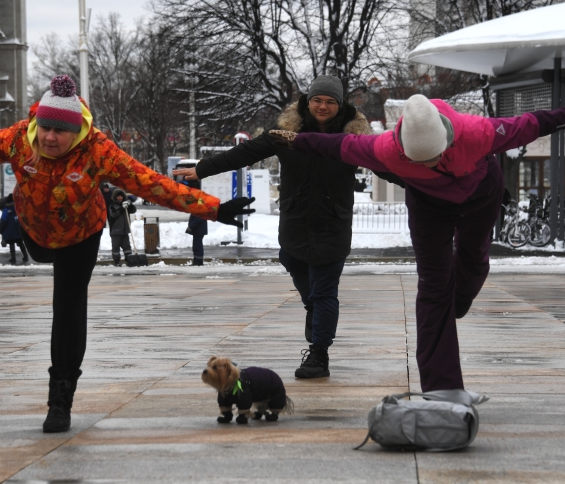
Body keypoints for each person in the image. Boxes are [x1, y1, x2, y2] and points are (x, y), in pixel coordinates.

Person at [0, 74, 253, 433]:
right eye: (45, 129)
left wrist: (215, 209)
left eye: (59, 132)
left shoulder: (98, 150)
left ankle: (60, 398)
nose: (49, 138)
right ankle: (39, 256)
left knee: (67, 307)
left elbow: (151, 184)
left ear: (76, 131)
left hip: (81, 234)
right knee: (42, 255)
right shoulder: (19, 139)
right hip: (35, 231)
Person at [269, 93, 565, 392]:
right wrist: (294, 138)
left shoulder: (479, 132)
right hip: (428, 207)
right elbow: (333, 144)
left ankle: (461, 296)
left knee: (473, 260)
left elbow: (535, 123)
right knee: (433, 288)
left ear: (448, 139)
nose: (430, 163)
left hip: (480, 194)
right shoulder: (383, 148)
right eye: (418, 160)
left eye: (436, 156)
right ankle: (442, 388)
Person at [173, 75, 404, 379]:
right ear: (308, 101)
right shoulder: (286, 132)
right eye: (318, 100)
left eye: (330, 101)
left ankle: (319, 354)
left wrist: (427, 186)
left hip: (332, 223)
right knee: (296, 270)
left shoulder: (353, 139)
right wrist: (203, 168)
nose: (323, 106)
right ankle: (314, 311)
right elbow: (246, 152)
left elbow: (386, 167)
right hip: (294, 221)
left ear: (340, 105)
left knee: (324, 292)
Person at [107, 188, 136, 266]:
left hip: (125, 230)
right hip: (116, 231)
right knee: (116, 248)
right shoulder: (113, 206)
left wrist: (130, 204)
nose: (120, 198)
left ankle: (129, 261)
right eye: (118, 196)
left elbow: (133, 210)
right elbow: (114, 214)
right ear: (115, 197)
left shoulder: (126, 206)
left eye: (121, 196)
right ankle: (116, 262)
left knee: (127, 247)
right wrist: (122, 208)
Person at [0, 194, 28, 264]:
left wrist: (0, 229)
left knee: (11, 243)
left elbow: (3, 220)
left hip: (10, 230)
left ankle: (13, 258)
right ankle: (25, 256)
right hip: (19, 229)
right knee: (20, 243)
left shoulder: (6, 210)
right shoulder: (18, 208)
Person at [184, 179, 207, 266]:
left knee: (197, 246)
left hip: (199, 228)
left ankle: (198, 262)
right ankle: (197, 261)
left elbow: (199, 217)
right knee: (196, 246)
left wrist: (191, 226)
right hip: (198, 228)